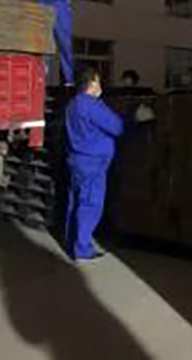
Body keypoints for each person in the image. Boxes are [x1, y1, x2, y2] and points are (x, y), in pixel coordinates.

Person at [65, 67, 124, 261]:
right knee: (90, 204)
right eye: (98, 81)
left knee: (75, 202)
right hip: (93, 162)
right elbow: (117, 127)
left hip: (76, 159)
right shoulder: (92, 105)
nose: (100, 85)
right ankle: (82, 248)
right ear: (91, 83)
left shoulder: (72, 104)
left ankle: (71, 242)